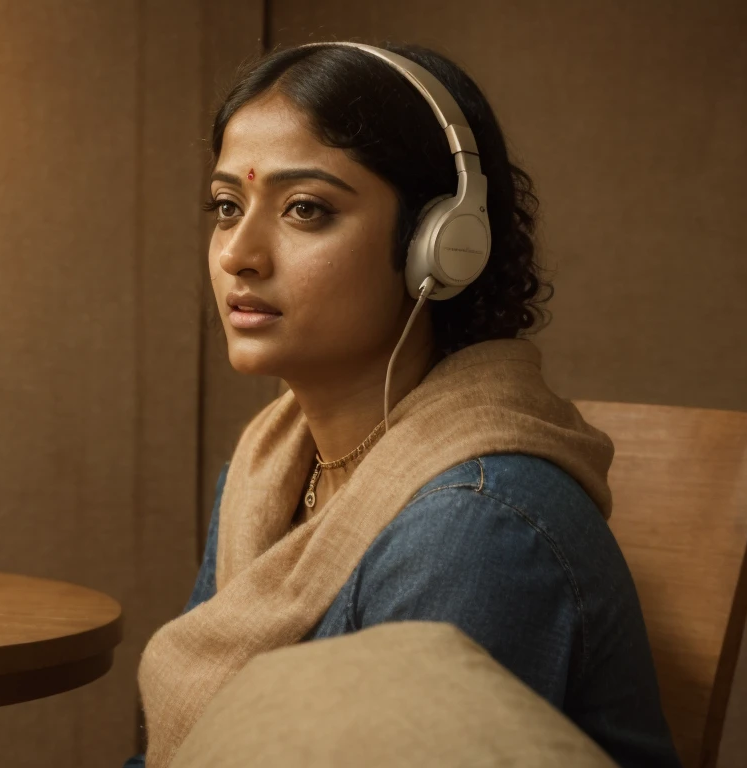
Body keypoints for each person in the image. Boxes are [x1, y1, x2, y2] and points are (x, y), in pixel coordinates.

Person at [125, 41, 681, 768]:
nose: (239, 253)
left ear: (441, 246)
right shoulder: (267, 472)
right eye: (228, 206)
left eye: (305, 209)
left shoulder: (475, 525)